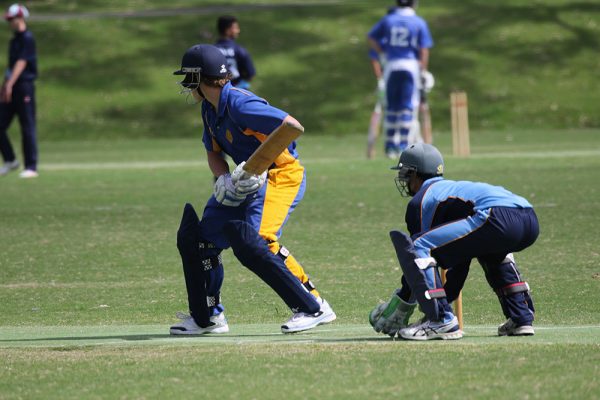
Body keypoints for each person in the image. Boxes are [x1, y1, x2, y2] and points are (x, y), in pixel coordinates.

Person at [169, 44, 335, 335]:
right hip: (242, 179)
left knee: (260, 239)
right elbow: (214, 153)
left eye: (188, 78)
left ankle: (314, 306)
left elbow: (291, 127)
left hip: (280, 175)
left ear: (200, 77)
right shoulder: (209, 109)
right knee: (202, 240)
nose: (185, 85)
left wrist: (259, 166)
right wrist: (223, 180)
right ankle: (208, 316)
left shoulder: (240, 104)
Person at [369, 143, 538, 340]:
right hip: (529, 218)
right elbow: (459, 261)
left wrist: (402, 303)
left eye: (405, 173)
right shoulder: (451, 190)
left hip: (496, 217)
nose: (404, 180)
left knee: (418, 246)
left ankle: (440, 320)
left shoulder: (421, 201)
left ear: (415, 173)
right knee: (491, 250)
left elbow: (419, 259)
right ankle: (521, 318)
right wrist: (445, 298)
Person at [367, 0, 433, 158]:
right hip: (410, 66)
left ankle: (390, 146)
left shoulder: (388, 20)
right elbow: (424, 50)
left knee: (391, 107)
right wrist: (423, 71)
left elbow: (371, 38)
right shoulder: (418, 22)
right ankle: (403, 145)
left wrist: (383, 51)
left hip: (392, 65)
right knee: (407, 107)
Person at [0, 3, 38, 178]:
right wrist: (5, 85)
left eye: (12, 19)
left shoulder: (27, 38)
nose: (10, 22)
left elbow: (21, 63)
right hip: (12, 87)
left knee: (27, 126)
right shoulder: (14, 40)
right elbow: (10, 66)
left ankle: (31, 166)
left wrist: (10, 83)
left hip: (24, 86)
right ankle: (10, 160)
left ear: (20, 18)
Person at [214, 15, 256, 90]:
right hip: (238, 92)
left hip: (218, 94)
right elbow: (250, 74)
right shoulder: (239, 50)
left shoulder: (212, 51)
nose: (238, 31)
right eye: (236, 28)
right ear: (227, 30)